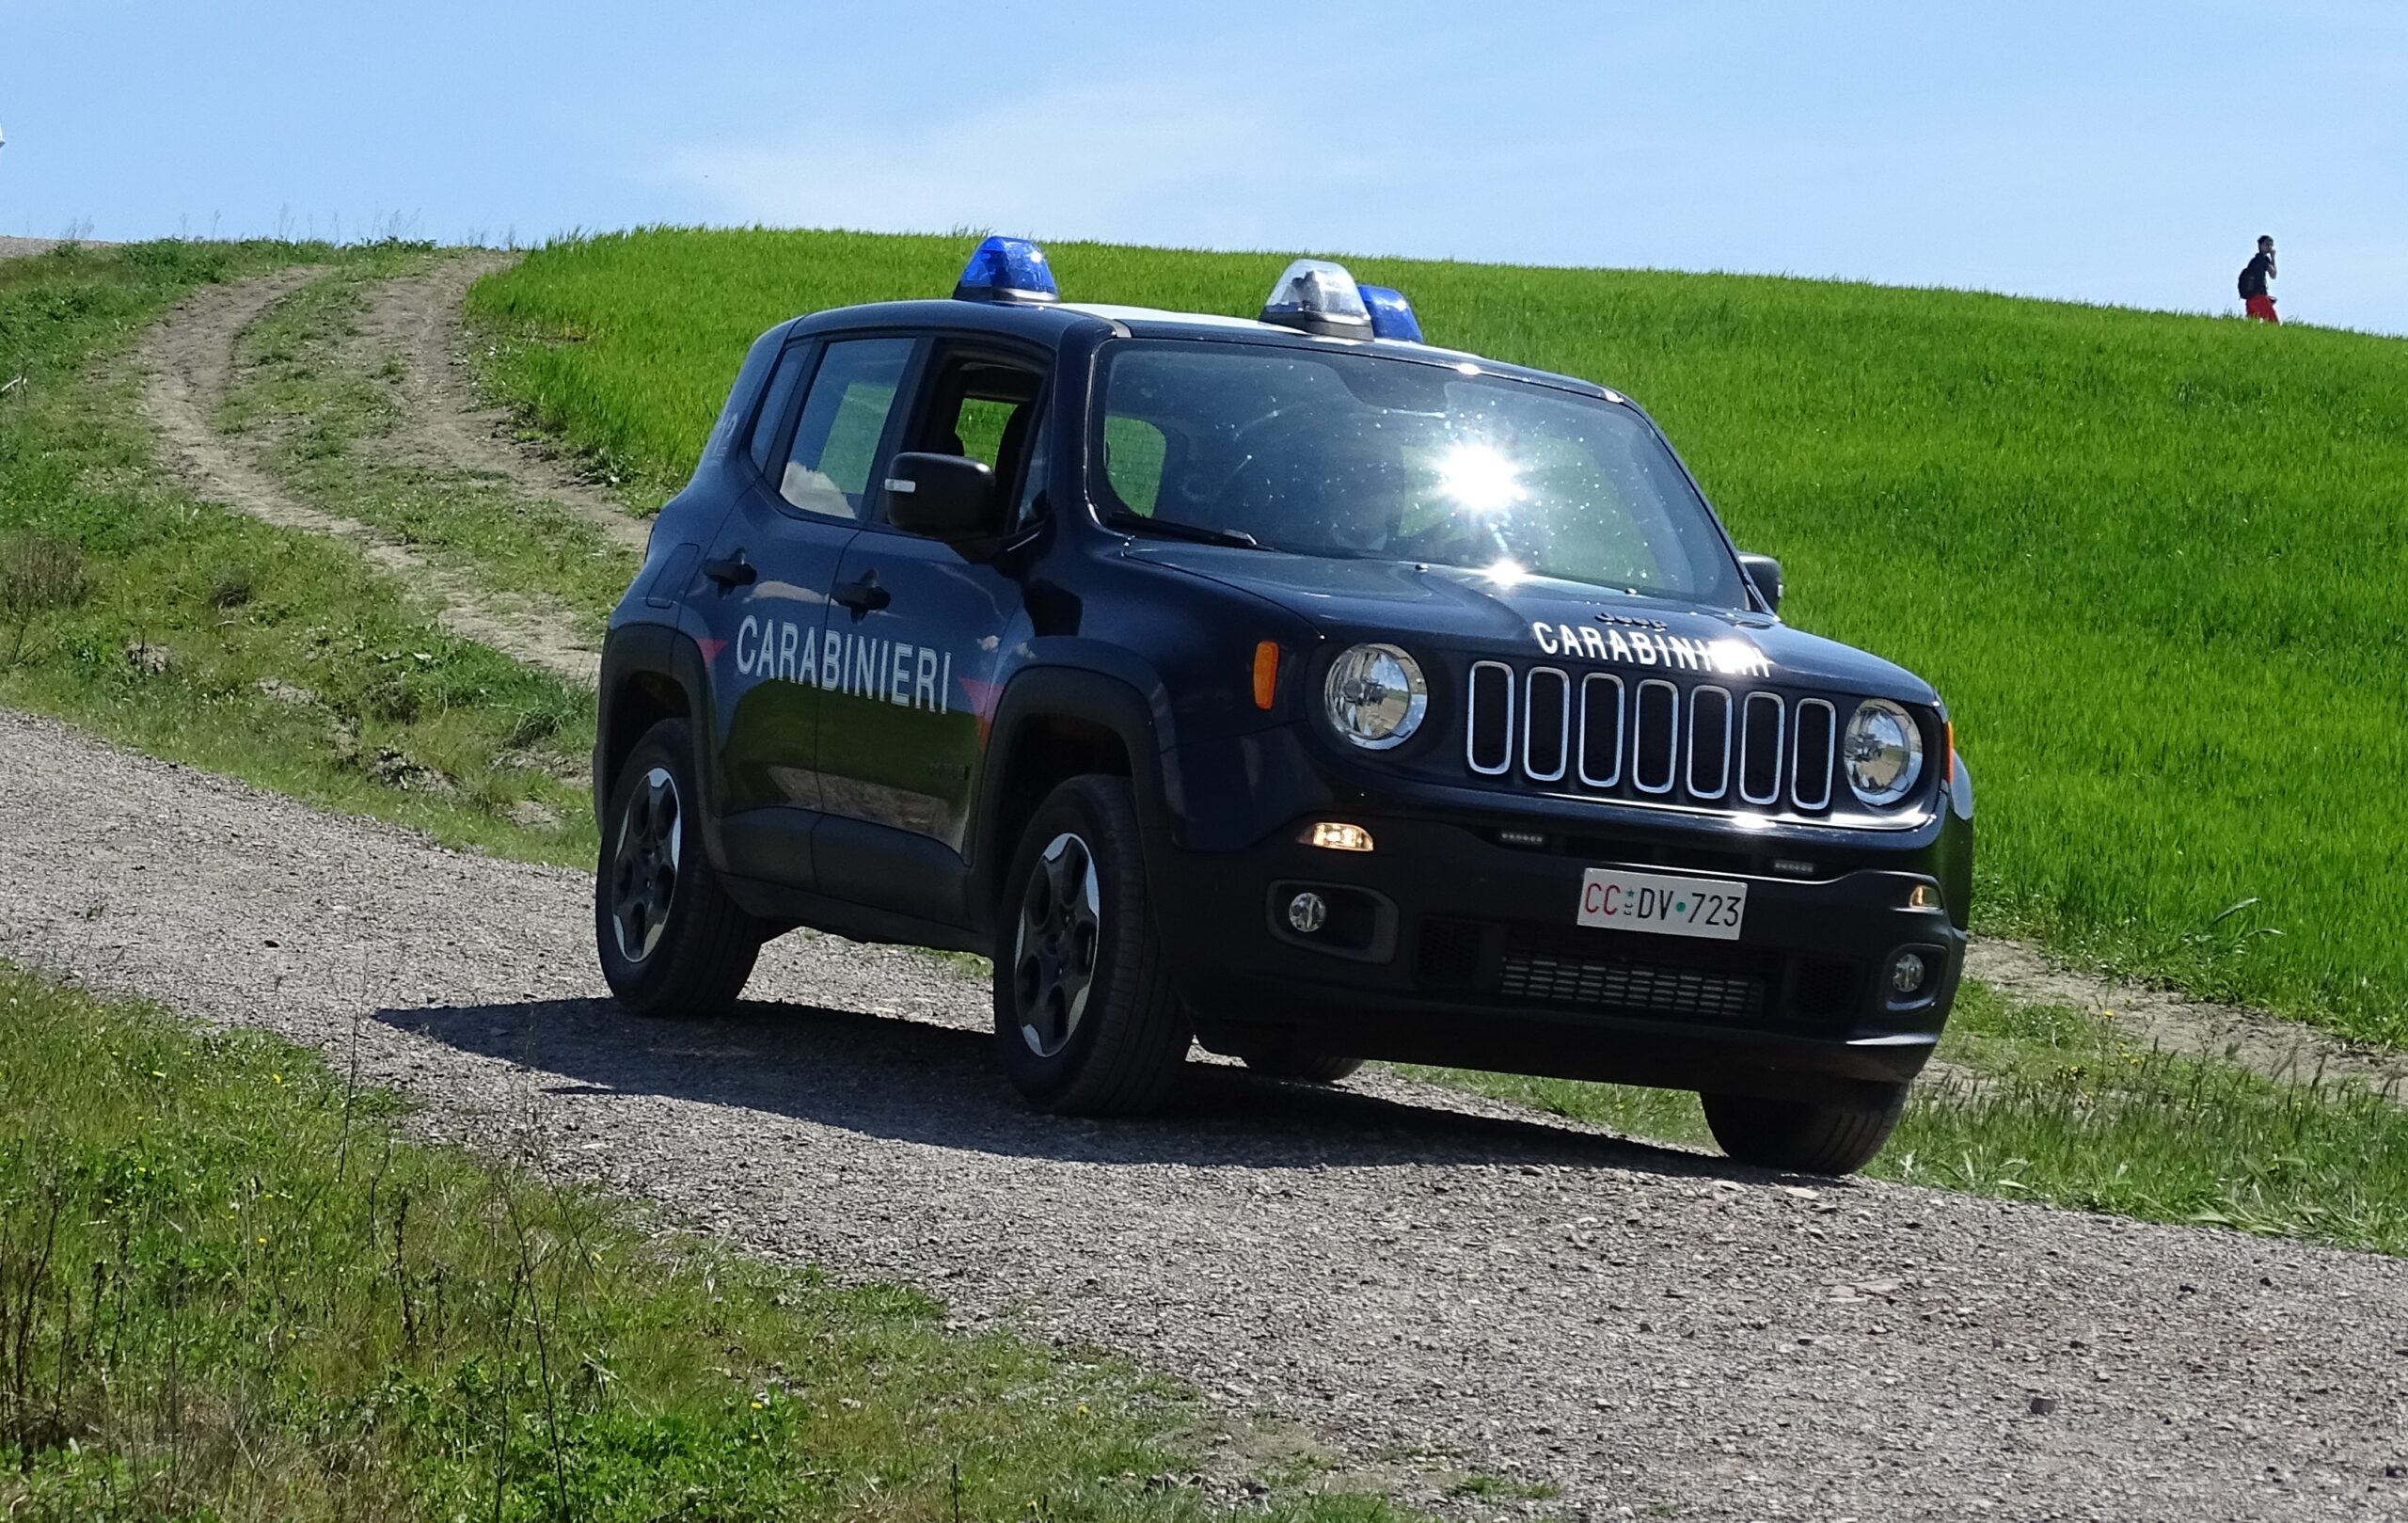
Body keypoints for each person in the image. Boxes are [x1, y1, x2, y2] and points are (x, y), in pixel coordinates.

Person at [2239, 235, 2279, 324]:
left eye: (2271, 245)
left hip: (2250, 299)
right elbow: (2273, 275)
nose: (2269, 247)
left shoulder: (2254, 261)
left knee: (2252, 325)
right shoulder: (2263, 260)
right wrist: (2273, 257)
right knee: (2273, 323)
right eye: (2267, 244)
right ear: (2260, 245)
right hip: (2259, 297)